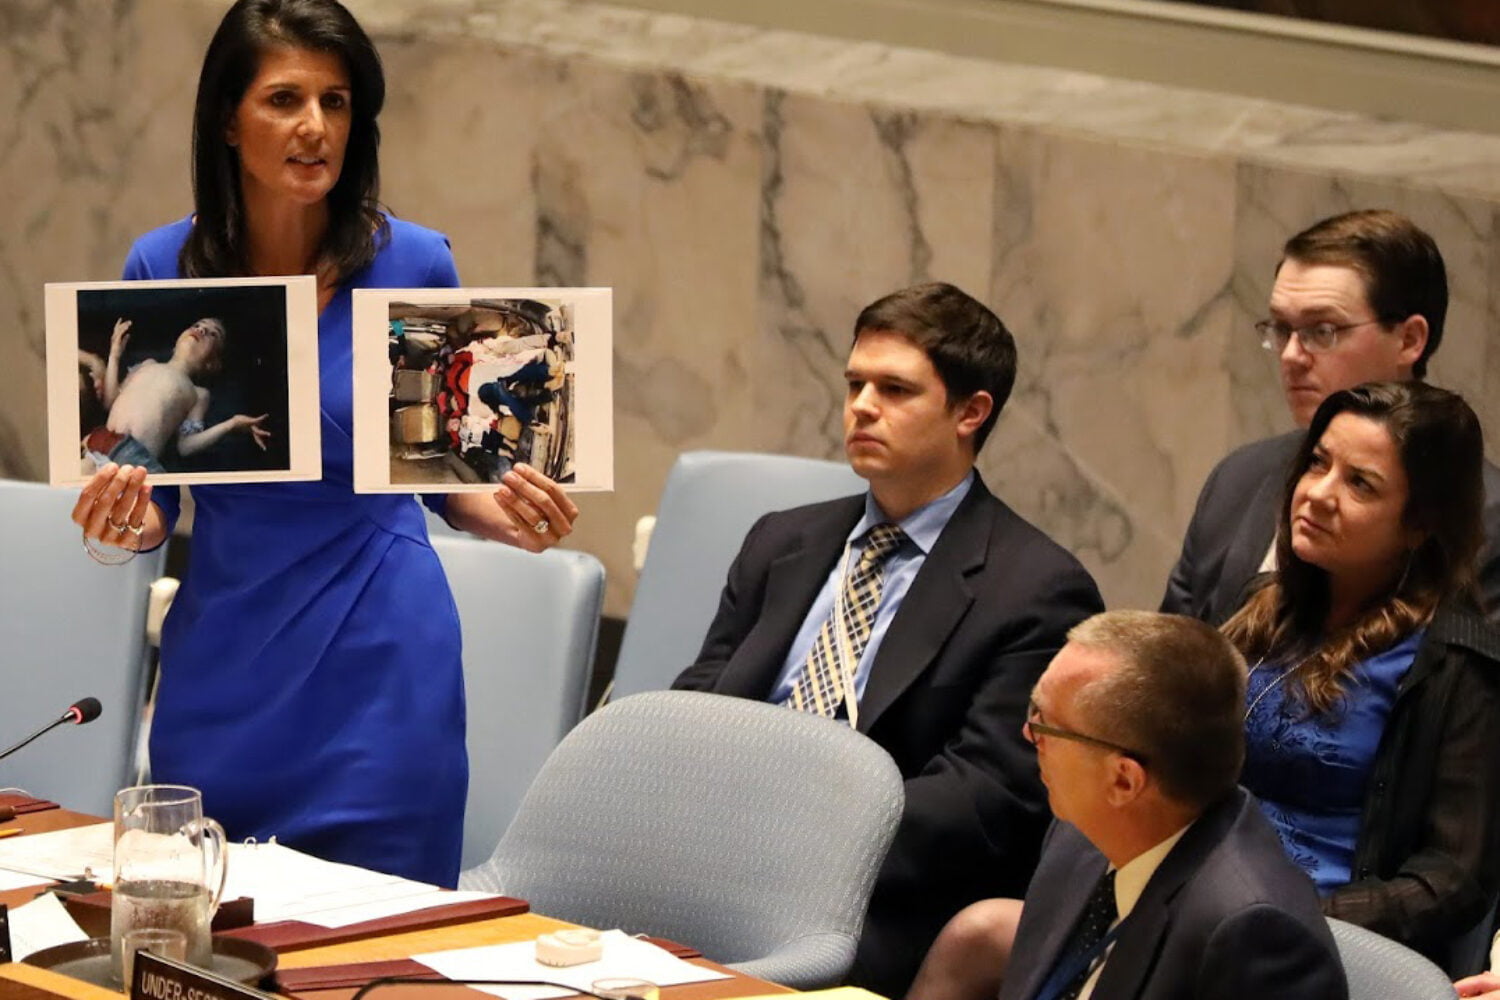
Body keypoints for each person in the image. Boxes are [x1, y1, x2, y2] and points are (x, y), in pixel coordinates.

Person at [69, 0, 578, 886]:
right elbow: (155, 500)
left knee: (371, 954)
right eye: (284, 100)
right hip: (226, 658)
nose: (315, 128)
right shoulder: (163, 266)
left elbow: (440, 474)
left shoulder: (416, 261)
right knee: (201, 943)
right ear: (229, 119)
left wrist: (506, 511)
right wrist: (125, 523)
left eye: (336, 102)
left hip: (382, 665)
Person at [671, 281, 1104, 997]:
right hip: (709, 859)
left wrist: (794, 839)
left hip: (871, 901)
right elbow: (702, 696)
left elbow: (987, 798)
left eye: (896, 390)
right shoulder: (784, 540)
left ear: (971, 412)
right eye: (855, 384)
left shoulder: (1038, 589)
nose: (863, 406)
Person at [1222, 381, 1500, 968]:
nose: (1318, 494)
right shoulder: (1262, 607)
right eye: (1318, 463)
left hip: (1323, 946)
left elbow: (1451, 879)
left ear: (1418, 525)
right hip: (1204, 900)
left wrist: (1304, 912)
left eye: (1360, 484)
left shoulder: (1454, 663)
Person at [1161, 209, 1500, 625]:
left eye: (1323, 331)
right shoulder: (1237, 479)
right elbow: (1170, 663)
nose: (1291, 356)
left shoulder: (1485, 521)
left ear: (1409, 340)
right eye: (1282, 328)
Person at [996, 611, 1347, 1000]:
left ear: (1123, 780)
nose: (1028, 734)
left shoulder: (1255, 938)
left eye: (1045, 723)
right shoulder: (1079, 835)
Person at [83, 316, 271, 473]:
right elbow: (110, 401)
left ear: (212, 363)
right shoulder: (147, 365)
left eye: (213, 333)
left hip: (136, 458)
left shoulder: (198, 394)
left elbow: (185, 447)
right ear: (176, 341)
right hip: (101, 442)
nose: (202, 330)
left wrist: (231, 424)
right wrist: (114, 355)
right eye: (197, 325)